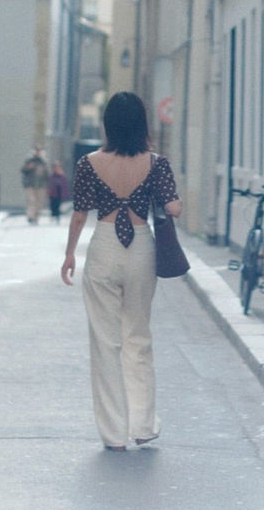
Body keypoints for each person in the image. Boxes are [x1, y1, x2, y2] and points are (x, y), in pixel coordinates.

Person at [61, 91, 181, 452]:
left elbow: (80, 214)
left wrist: (69, 254)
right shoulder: (157, 163)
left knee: (105, 343)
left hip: (103, 247)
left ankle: (114, 434)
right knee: (138, 337)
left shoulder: (89, 163)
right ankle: (142, 425)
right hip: (141, 249)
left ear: (108, 124)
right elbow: (173, 209)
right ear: (142, 124)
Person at [21, 147, 48, 224]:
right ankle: (30, 216)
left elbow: (46, 174)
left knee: (39, 202)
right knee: (31, 201)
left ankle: (36, 217)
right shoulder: (29, 160)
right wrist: (29, 167)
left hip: (40, 185)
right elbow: (23, 170)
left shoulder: (43, 161)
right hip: (30, 184)